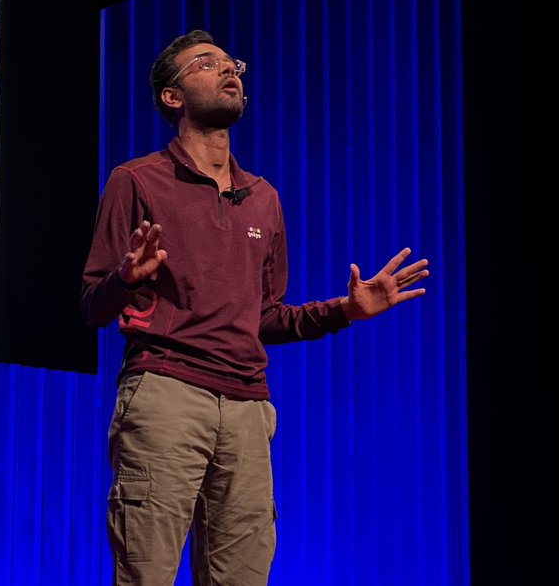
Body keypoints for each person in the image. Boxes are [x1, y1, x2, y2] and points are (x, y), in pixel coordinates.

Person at [80, 30, 429, 585]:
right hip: (166, 394)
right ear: (173, 97)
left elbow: (265, 317)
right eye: (206, 64)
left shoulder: (263, 197)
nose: (229, 71)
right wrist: (125, 278)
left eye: (232, 64)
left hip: (247, 410)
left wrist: (346, 309)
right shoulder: (136, 181)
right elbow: (91, 305)